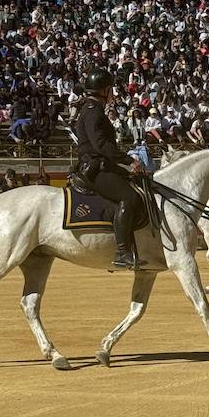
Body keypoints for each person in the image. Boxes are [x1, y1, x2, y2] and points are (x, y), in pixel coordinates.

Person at [74, 68, 145, 269]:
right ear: (105, 90)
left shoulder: (90, 108)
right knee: (130, 198)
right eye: (111, 89)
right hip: (95, 168)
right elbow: (101, 145)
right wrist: (129, 160)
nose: (113, 93)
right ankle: (123, 253)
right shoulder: (93, 111)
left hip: (100, 165)